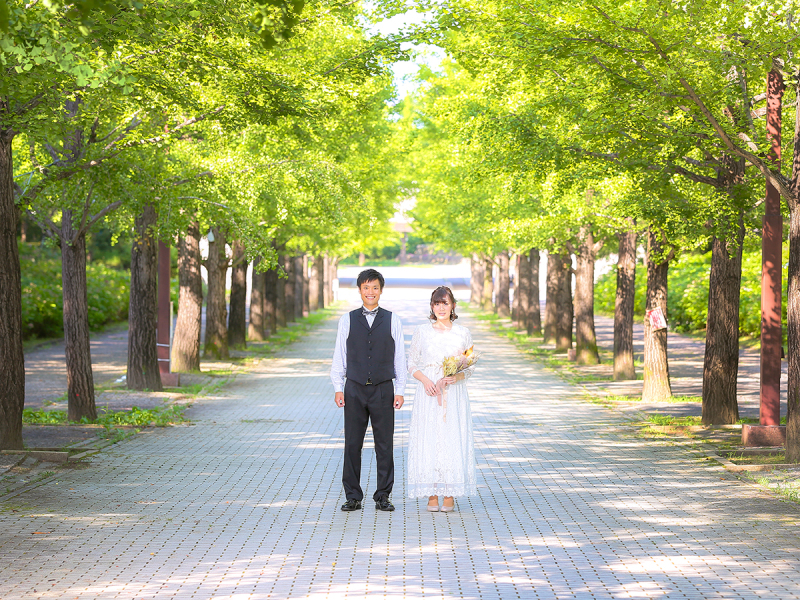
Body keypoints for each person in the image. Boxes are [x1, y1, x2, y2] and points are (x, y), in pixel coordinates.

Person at [330, 269, 407, 512]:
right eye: (366, 287)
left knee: (384, 444)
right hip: (353, 388)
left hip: (384, 388)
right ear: (360, 290)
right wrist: (337, 387)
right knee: (352, 443)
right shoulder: (347, 320)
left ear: (381, 290)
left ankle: (383, 495)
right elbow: (339, 356)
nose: (370, 292)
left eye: (375, 287)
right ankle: (353, 495)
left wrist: (400, 389)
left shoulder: (393, 320)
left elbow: (400, 358)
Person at [407, 286, 477, 512]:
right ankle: (432, 492)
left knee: (451, 437)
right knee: (429, 438)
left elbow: (469, 367)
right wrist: (426, 381)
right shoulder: (422, 331)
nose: (441, 308)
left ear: (453, 305)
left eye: (445, 303)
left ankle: (449, 492)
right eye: (437, 304)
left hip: (453, 393)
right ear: (431, 307)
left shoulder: (463, 332)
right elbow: (411, 364)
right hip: (429, 394)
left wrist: (454, 376)